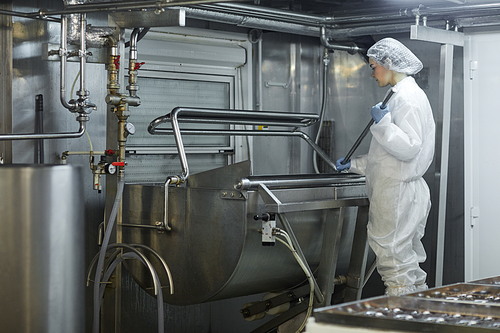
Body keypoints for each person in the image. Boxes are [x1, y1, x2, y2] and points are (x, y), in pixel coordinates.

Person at [335, 38, 435, 296]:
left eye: (373, 66)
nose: (372, 73)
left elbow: (410, 146)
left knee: (394, 263)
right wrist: (353, 164)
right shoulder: (401, 95)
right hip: (404, 189)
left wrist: (383, 125)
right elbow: (386, 157)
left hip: (397, 194)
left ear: (389, 63)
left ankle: (402, 321)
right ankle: (418, 316)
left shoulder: (407, 98)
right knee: (408, 262)